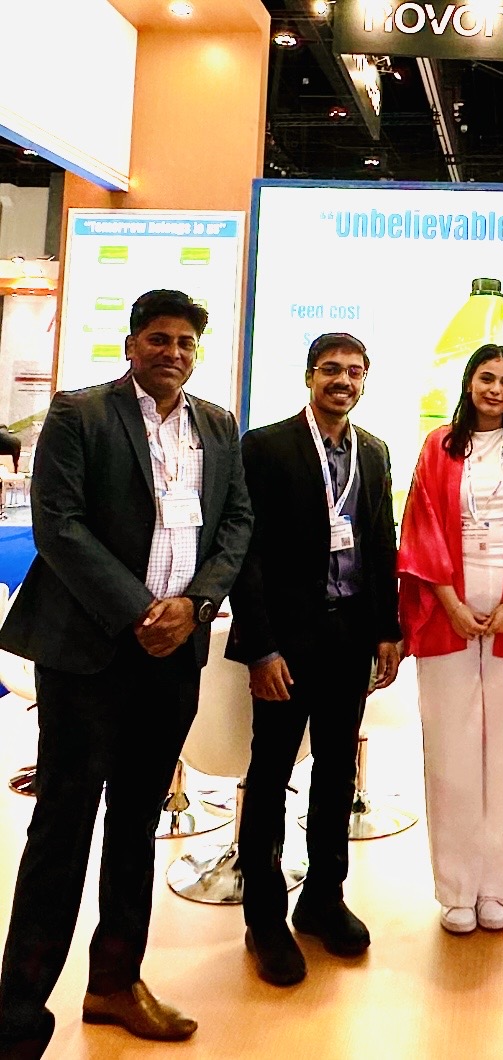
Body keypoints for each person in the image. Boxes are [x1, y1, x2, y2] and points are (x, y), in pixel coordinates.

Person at [0, 289, 252, 1059]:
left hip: (174, 658)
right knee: (63, 827)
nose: (172, 352)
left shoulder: (217, 424)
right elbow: (59, 525)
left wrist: (196, 606)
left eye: (185, 342)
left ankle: (114, 982)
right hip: (89, 655)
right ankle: (17, 1019)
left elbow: (236, 521)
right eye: (158, 338)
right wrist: (143, 611)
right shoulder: (80, 414)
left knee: (137, 824)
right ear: (131, 344)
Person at [226, 332, 401, 986]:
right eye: (331, 369)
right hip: (285, 644)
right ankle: (264, 917)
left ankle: (323, 898)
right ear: (308, 376)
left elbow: (380, 542)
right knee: (270, 774)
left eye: (354, 372)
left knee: (335, 771)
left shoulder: (373, 452)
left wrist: (388, 629)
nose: (342, 381)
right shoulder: (265, 447)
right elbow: (246, 554)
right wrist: (261, 647)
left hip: (349, 638)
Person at [398, 344, 503, 934]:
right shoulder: (439, 447)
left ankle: (496, 886)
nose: (496, 389)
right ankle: (456, 889)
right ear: (469, 382)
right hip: (449, 605)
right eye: (486, 378)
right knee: (451, 748)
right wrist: (447, 601)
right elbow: (421, 526)